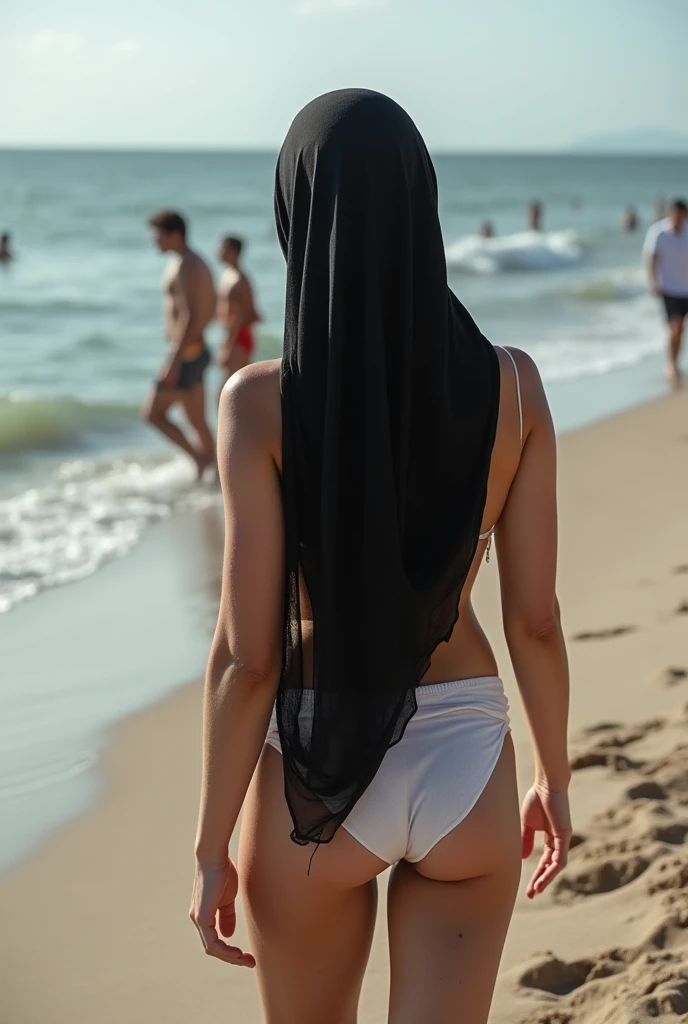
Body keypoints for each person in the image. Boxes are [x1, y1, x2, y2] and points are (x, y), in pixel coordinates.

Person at [190, 90, 571, 1024]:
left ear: (296, 210)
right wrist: (553, 779)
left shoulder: (260, 404)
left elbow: (249, 660)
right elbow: (535, 619)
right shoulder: (514, 388)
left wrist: (209, 847)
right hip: (468, 761)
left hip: (315, 763)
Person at [142, 210, 216, 479]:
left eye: (158, 234)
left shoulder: (186, 264)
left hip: (187, 353)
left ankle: (201, 460)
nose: (154, 240)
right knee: (197, 420)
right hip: (195, 350)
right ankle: (215, 470)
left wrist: (174, 358)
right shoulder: (193, 261)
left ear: (175, 234)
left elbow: (190, 315)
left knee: (152, 414)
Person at [643, 198, 688, 385]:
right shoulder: (658, 232)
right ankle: (671, 364)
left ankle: (676, 362)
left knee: (681, 329)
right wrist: (653, 281)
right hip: (669, 287)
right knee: (675, 327)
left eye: (681, 215)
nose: (677, 218)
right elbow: (650, 257)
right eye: (674, 214)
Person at [216, 235, 261, 394]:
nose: (218, 252)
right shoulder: (229, 275)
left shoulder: (239, 280)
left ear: (234, 252)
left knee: (232, 388)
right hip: (234, 335)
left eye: (223, 249)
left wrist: (227, 348)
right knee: (231, 386)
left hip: (238, 337)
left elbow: (239, 317)